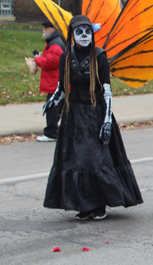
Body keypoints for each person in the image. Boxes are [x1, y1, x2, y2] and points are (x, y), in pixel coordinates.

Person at [42, 15, 143, 220]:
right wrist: (52, 101)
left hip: (94, 114)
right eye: (79, 32)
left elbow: (106, 91)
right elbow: (62, 87)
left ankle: (98, 205)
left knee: (93, 160)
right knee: (75, 160)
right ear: (72, 35)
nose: (84, 36)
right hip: (73, 115)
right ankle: (85, 205)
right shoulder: (66, 56)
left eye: (88, 32)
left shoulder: (99, 56)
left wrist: (106, 121)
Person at [35, 19, 66, 142]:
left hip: (55, 83)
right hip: (56, 82)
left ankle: (51, 133)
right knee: (57, 108)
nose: (44, 29)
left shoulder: (55, 45)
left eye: (46, 27)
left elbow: (50, 62)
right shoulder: (54, 42)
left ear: (53, 29)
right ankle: (56, 131)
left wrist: (37, 60)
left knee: (53, 108)